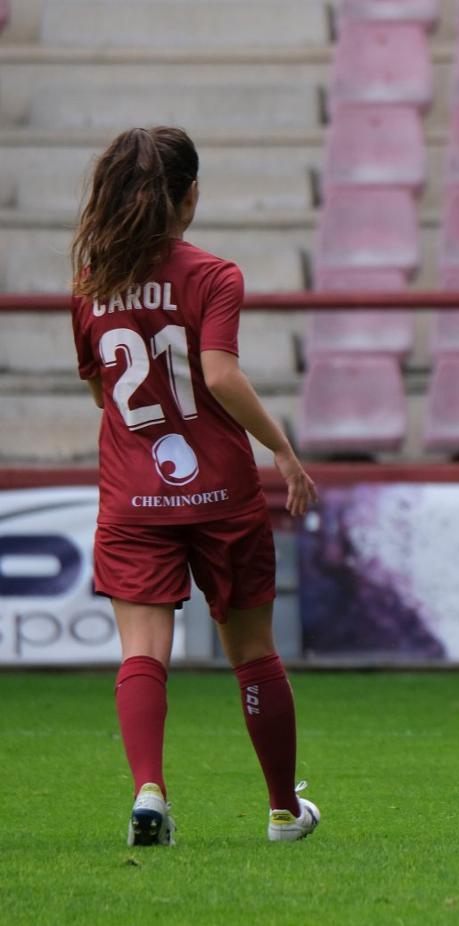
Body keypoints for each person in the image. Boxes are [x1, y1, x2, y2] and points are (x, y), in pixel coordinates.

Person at [70, 127, 321, 845]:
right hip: (220, 494)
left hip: (131, 493)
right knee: (253, 652)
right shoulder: (215, 275)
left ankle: (150, 792)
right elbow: (217, 374)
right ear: (191, 197)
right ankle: (281, 811)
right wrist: (283, 449)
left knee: (143, 654)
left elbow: (98, 392)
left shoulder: (91, 280)